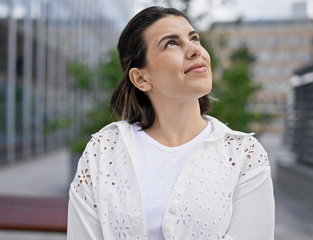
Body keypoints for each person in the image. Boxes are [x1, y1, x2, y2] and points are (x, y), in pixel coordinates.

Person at [67, 6, 274, 240]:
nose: (195, 49)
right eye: (171, 43)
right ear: (141, 78)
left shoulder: (244, 154)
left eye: (194, 38)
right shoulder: (103, 151)